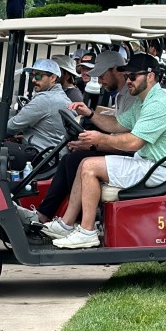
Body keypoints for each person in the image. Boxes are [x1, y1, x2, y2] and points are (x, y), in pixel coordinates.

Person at [42, 52, 166, 248]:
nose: (128, 81)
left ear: (150, 76)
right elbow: (117, 124)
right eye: (127, 76)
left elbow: (134, 142)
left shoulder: (157, 104)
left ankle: (87, 231)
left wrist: (100, 139)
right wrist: (89, 114)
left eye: (133, 76)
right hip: (147, 162)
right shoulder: (144, 101)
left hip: (158, 169)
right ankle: (66, 224)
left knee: (90, 166)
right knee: (84, 163)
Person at [17, 49, 134, 227]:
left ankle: (79, 221)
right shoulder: (122, 95)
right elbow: (117, 125)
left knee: (77, 161)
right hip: (123, 145)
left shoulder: (131, 96)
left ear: (116, 70)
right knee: (69, 159)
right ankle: (45, 214)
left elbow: (128, 138)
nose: (99, 80)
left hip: (131, 152)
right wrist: (90, 117)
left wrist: (94, 144)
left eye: (102, 75)